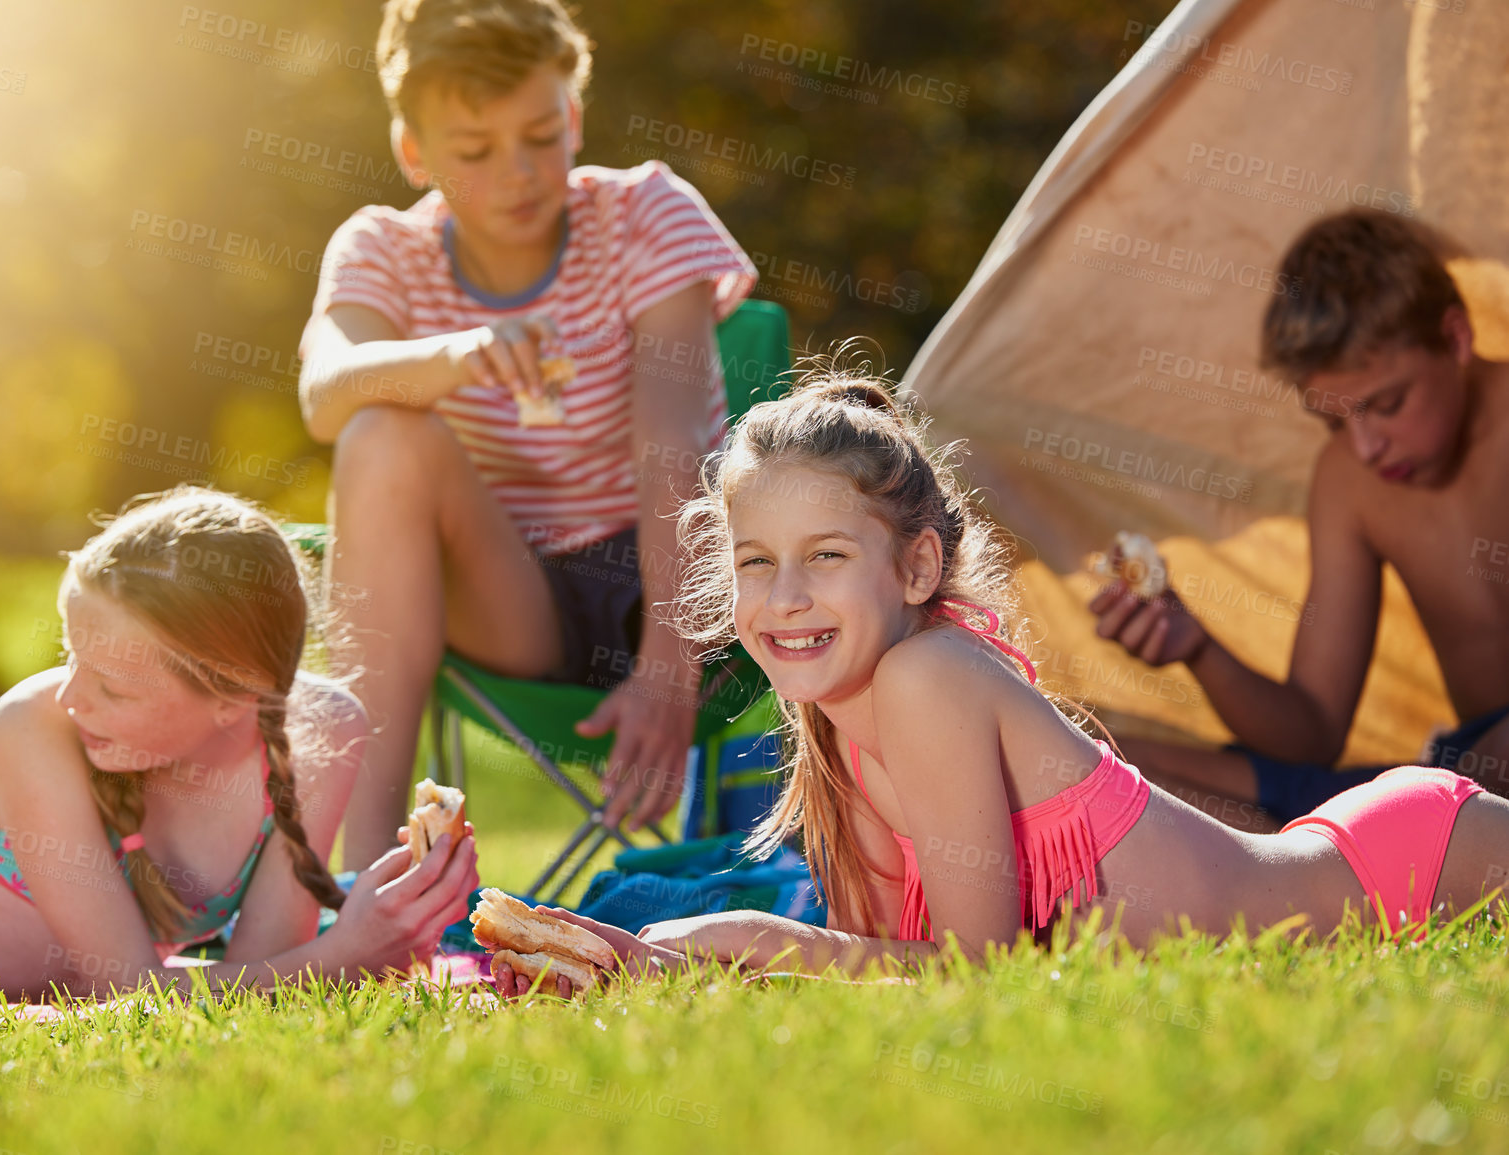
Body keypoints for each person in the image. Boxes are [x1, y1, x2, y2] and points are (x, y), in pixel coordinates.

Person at [494, 376, 1509, 992]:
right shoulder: (832, 730)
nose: (786, 596)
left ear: (918, 569)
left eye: (828, 557)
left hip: (1401, 868)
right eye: (757, 561)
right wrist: (681, 965)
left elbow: (983, 978)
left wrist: (757, 935)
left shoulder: (928, 676)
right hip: (1349, 848)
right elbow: (893, 973)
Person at [296, 0, 758, 874]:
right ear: (414, 153)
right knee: (379, 437)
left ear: (575, 116)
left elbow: (672, 445)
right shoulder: (382, 249)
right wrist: (458, 356)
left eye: (542, 135)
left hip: (658, 587)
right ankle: (358, 889)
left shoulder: (645, 213)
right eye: (473, 151)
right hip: (503, 598)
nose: (517, 173)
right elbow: (325, 392)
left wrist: (669, 665)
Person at [0, 487, 478, 1009]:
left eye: (112, 687)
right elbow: (130, 998)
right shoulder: (32, 726)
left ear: (233, 697)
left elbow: (257, 982)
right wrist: (347, 951)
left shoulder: (321, 726)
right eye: (68, 655)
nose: (70, 695)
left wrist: (366, 938)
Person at [1089, 209, 1509, 830]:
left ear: (1454, 338)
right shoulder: (1349, 479)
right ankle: (1326, 855)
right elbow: (1312, 732)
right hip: (1457, 772)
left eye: (1386, 405)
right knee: (1093, 753)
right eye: (1335, 422)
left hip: (1472, 776)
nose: (1365, 448)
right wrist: (1197, 647)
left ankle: (1350, 850)